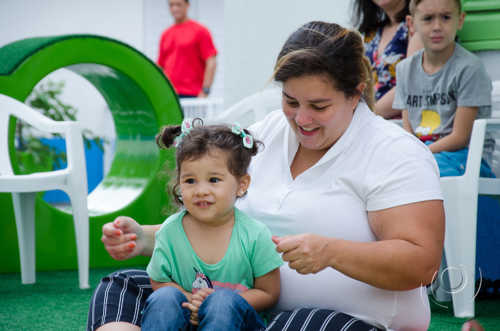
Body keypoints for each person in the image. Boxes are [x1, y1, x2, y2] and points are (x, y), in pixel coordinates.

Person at [88, 21, 445, 331]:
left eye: (319, 106)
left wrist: (330, 252)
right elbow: (218, 220)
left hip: (346, 320)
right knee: (123, 287)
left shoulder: (394, 153)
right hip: (236, 309)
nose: (302, 119)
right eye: (291, 102)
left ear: (354, 95)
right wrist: (145, 238)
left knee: (306, 323)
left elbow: (423, 265)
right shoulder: (269, 133)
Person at [141, 120, 282, 330]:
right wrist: (192, 300)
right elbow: (159, 282)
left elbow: (269, 292)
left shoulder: (254, 234)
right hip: (187, 317)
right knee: (165, 298)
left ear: (241, 185)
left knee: (222, 302)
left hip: (235, 323)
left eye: (214, 180)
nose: (201, 190)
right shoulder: (170, 231)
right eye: (190, 181)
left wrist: (213, 303)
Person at [393, 0, 494, 178]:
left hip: (465, 158)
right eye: (428, 18)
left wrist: (419, 155)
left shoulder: (469, 68)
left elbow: (460, 137)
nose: (437, 26)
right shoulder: (405, 69)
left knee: (422, 174)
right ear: (411, 24)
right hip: (423, 154)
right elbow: (408, 130)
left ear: (460, 20)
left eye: (446, 17)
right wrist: (413, 155)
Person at [353, 0, 423, 119]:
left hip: (404, 124)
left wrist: (366, 116)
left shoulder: (419, 25)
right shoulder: (372, 32)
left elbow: (414, 82)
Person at [157, 0, 217, 98]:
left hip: (193, 95)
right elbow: (160, 67)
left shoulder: (200, 31)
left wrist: (205, 90)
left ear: (187, 5)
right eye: (171, 5)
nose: (174, 9)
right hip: (170, 95)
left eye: (178, 5)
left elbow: (211, 61)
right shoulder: (166, 34)